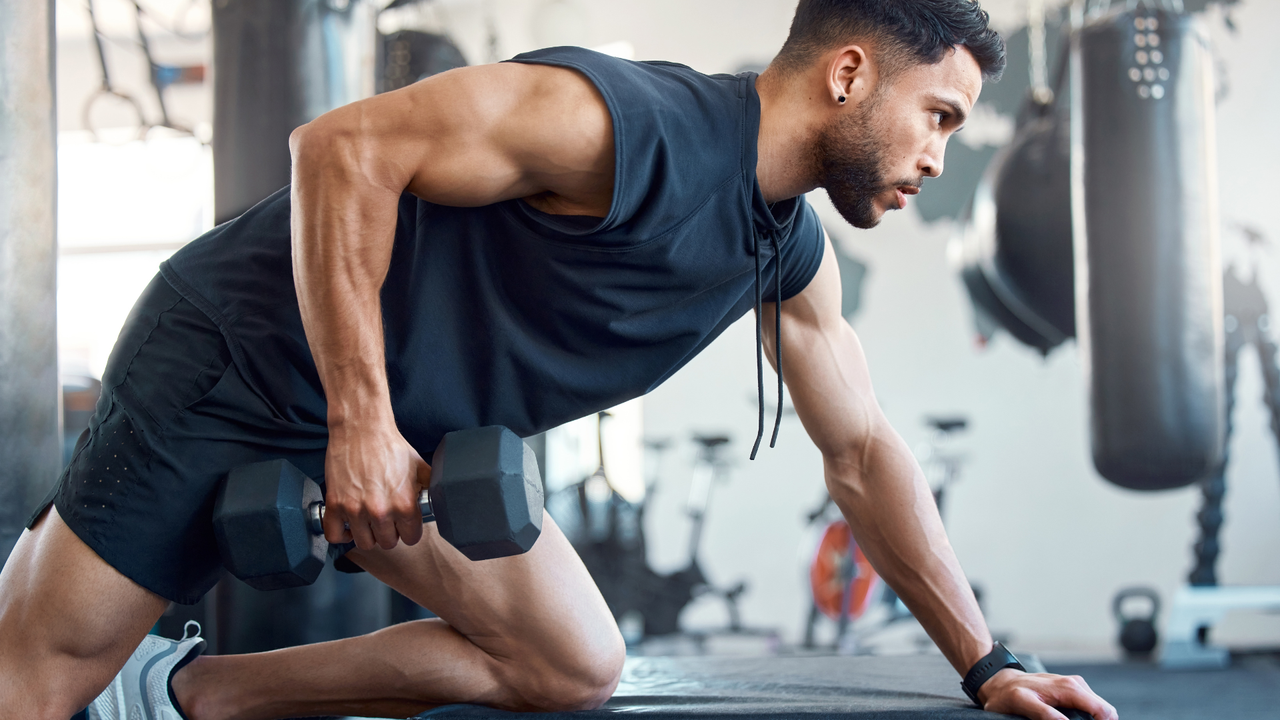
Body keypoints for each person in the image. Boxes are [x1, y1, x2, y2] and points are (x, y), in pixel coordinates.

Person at [0, 2, 1118, 719]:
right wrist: (358, 422)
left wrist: (987, 664)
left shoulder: (785, 250)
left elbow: (863, 452)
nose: (936, 155)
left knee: (569, 666)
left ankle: (187, 694)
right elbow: (340, 149)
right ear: (847, 74)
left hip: (406, 432)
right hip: (235, 354)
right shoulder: (619, 121)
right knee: (35, 687)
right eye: (936, 115)